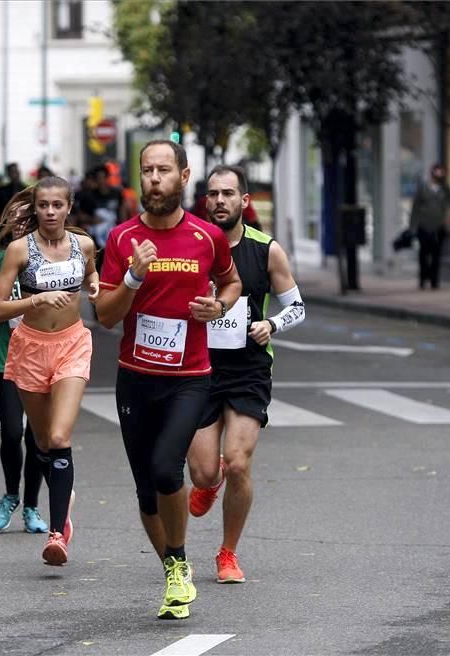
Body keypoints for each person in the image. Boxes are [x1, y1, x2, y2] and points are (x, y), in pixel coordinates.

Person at [95, 140, 241, 619]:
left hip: (189, 378)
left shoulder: (206, 237)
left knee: (165, 470)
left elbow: (232, 281)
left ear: (183, 175)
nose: (154, 178)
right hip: (136, 378)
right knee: (145, 491)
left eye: (163, 170)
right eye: (146, 171)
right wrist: (134, 278)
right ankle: (175, 575)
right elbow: (105, 317)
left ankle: (177, 561)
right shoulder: (120, 239)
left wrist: (219, 306)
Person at [186, 165, 305, 585]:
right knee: (203, 473)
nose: (219, 201)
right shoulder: (191, 246)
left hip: (248, 368)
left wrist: (270, 325)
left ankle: (228, 553)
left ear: (244, 201)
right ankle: (208, 479)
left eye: (228, 194)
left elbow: (297, 307)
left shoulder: (266, 249)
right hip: (198, 368)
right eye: (213, 194)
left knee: (238, 464)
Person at [0, 176, 99, 566]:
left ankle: (57, 533)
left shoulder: (83, 244)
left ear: (69, 207)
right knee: (39, 442)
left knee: (58, 435)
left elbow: (89, 277)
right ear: (34, 208)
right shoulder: (20, 251)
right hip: (30, 349)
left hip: (72, 343)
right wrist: (34, 301)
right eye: (43, 205)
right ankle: (61, 491)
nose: (50, 212)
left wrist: (96, 283)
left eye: (57, 205)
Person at [0, 231, 48, 535]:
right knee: (11, 432)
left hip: (45, 359)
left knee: (36, 438)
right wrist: (13, 305)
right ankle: (11, 495)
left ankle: (32, 506)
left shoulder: (53, 259)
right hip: (8, 358)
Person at [410, 162, 450, 290]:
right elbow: (415, 207)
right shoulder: (423, 187)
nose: (439, 174)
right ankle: (423, 278)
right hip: (423, 226)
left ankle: (434, 280)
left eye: (442, 171)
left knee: (436, 254)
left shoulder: (445, 189)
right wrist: (413, 225)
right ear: (432, 172)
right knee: (423, 253)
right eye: (437, 171)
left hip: (439, 227)